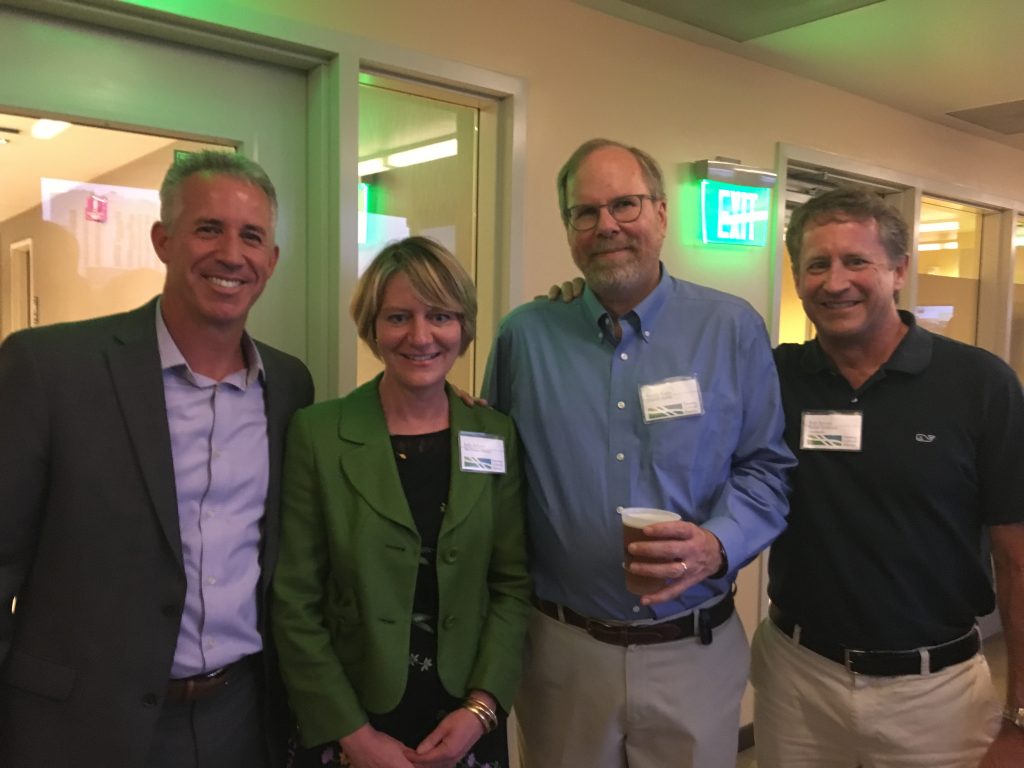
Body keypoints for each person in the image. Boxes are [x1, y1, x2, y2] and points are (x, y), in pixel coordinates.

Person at [482, 138, 794, 768]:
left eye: (624, 205)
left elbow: (767, 470)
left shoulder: (731, 329)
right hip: (563, 653)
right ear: (569, 228)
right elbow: (493, 471)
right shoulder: (527, 335)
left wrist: (716, 544)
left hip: (694, 651)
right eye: (585, 212)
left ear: (660, 213)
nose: (607, 226)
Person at [0, 150, 314, 768]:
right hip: (79, 727)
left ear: (271, 262)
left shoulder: (290, 386)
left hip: (242, 720)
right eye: (207, 228)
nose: (231, 253)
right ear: (163, 240)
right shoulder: (50, 369)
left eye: (251, 236)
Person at [751, 186, 1024, 768]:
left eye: (857, 261)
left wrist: (1021, 714)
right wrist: (581, 304)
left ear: (900, 271)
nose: (834, 281)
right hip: (798, 679)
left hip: (935, 695)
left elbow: (1017, 557)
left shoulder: (980, 385)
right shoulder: (773, 377)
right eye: (816, 264)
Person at [272, 236, 530, 768]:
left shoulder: (493, 433)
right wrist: (354, 735)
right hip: (350, 718)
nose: (420, 336)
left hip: (464, 715)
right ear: (371, 327)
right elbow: (295, 601)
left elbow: (511, 585)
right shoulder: (319, 434)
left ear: (463, 327)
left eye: (440, 315)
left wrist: (482, 709)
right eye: (398, 317)